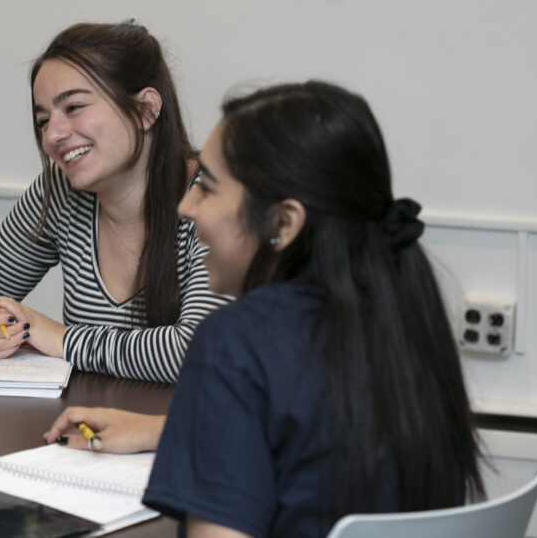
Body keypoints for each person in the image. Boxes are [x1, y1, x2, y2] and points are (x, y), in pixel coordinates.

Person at [45, 82, 486, 536]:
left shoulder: (235, 341)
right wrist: (173, 429)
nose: (184, 207)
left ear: (283, 222)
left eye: (208, 189)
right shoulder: (402, 314)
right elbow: (319, 438)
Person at [0, 21, 228, 383]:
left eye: (74, 107)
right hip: (91, 429)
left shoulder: (220, 199)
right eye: (43, 120)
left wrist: (60, 338)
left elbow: (200, 352)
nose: (53, 136)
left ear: (146, 110)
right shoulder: (60, 191)